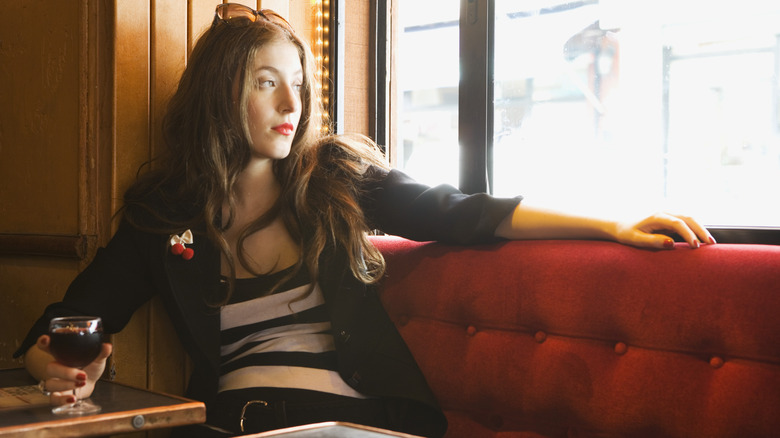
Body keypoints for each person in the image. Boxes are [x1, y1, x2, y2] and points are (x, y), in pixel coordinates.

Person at [14, 3, 715, 437]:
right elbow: (68, 320)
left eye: (299, 82)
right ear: (218, 94)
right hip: (230, 424)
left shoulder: (331, 178)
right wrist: (54, 365)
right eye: (266, 82)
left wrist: (613, 223)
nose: (292, 100)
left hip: (352, 424)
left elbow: (461, 212)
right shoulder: (161, 219)